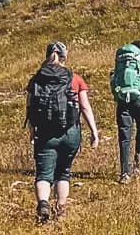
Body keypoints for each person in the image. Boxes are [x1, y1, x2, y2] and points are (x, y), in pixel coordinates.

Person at [25, 41, 100, 224]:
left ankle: (43, 203)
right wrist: (94, 132)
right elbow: (84, 107)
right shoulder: (74, 78)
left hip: (44, 133)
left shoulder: (36, 79)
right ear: (65, 57)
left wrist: (32, 131)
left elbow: (29, 108)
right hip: (70, 132)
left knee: (43, 174)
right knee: (63, 172)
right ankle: (61, 209)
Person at [110, 39, 140, 182]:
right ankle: (138, 166)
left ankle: (125, 172)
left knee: (125, 136)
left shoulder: (121, 65)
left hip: (123, 100)